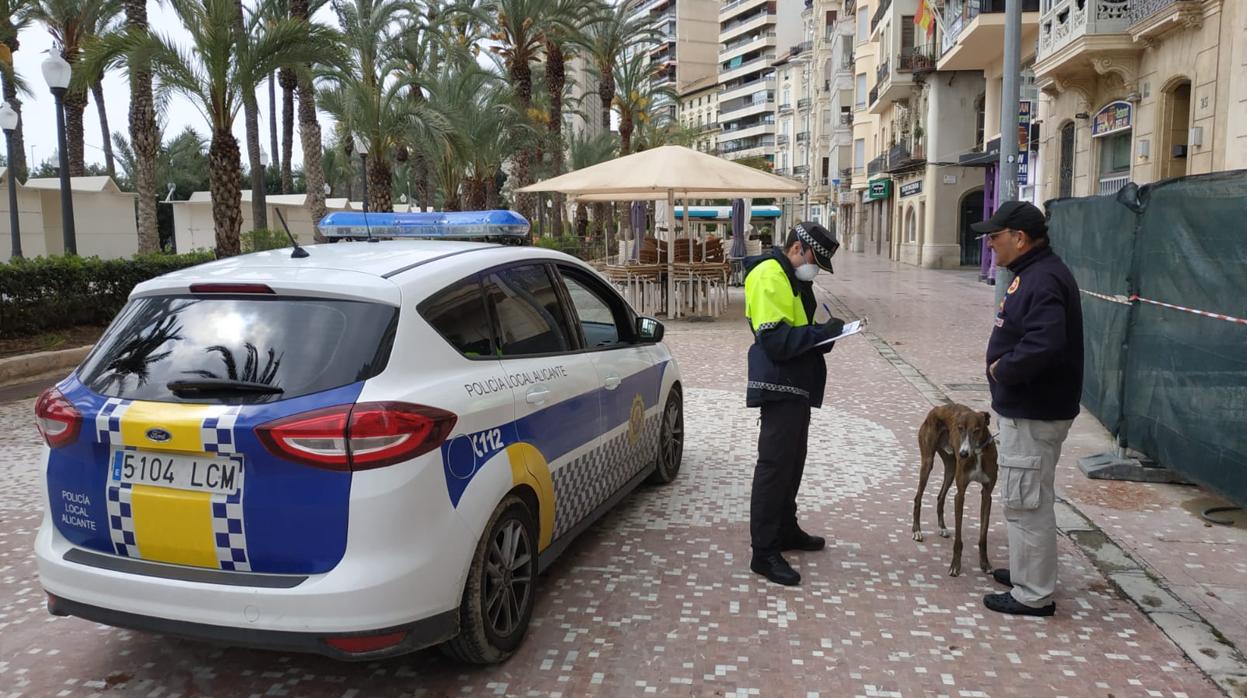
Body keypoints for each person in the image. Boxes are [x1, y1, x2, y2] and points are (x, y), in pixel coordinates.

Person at [974, 201, 1084, 617]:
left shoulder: (1042, 279)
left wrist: (1005, 369)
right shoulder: (1035, 273)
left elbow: (1045, 344)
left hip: (1035, 410)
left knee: (1027, 502)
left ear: (1019, 238)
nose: (989, 245)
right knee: (1026, 498)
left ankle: (1032, 594)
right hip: (1031, 408)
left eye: (994, 237)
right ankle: (1027, 573)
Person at [743, 221, 843, 586]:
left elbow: (797, 327)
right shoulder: (770, 275)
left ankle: (785, 529)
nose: (814, 270)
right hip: (778, 383)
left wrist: (825, 335)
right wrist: (822, 333)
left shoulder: (792, 278)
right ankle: (763, 552)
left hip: (795, 385)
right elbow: (776, 340)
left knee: (791, 464)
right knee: (774, 468)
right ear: (798, 248)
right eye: (815, 261)